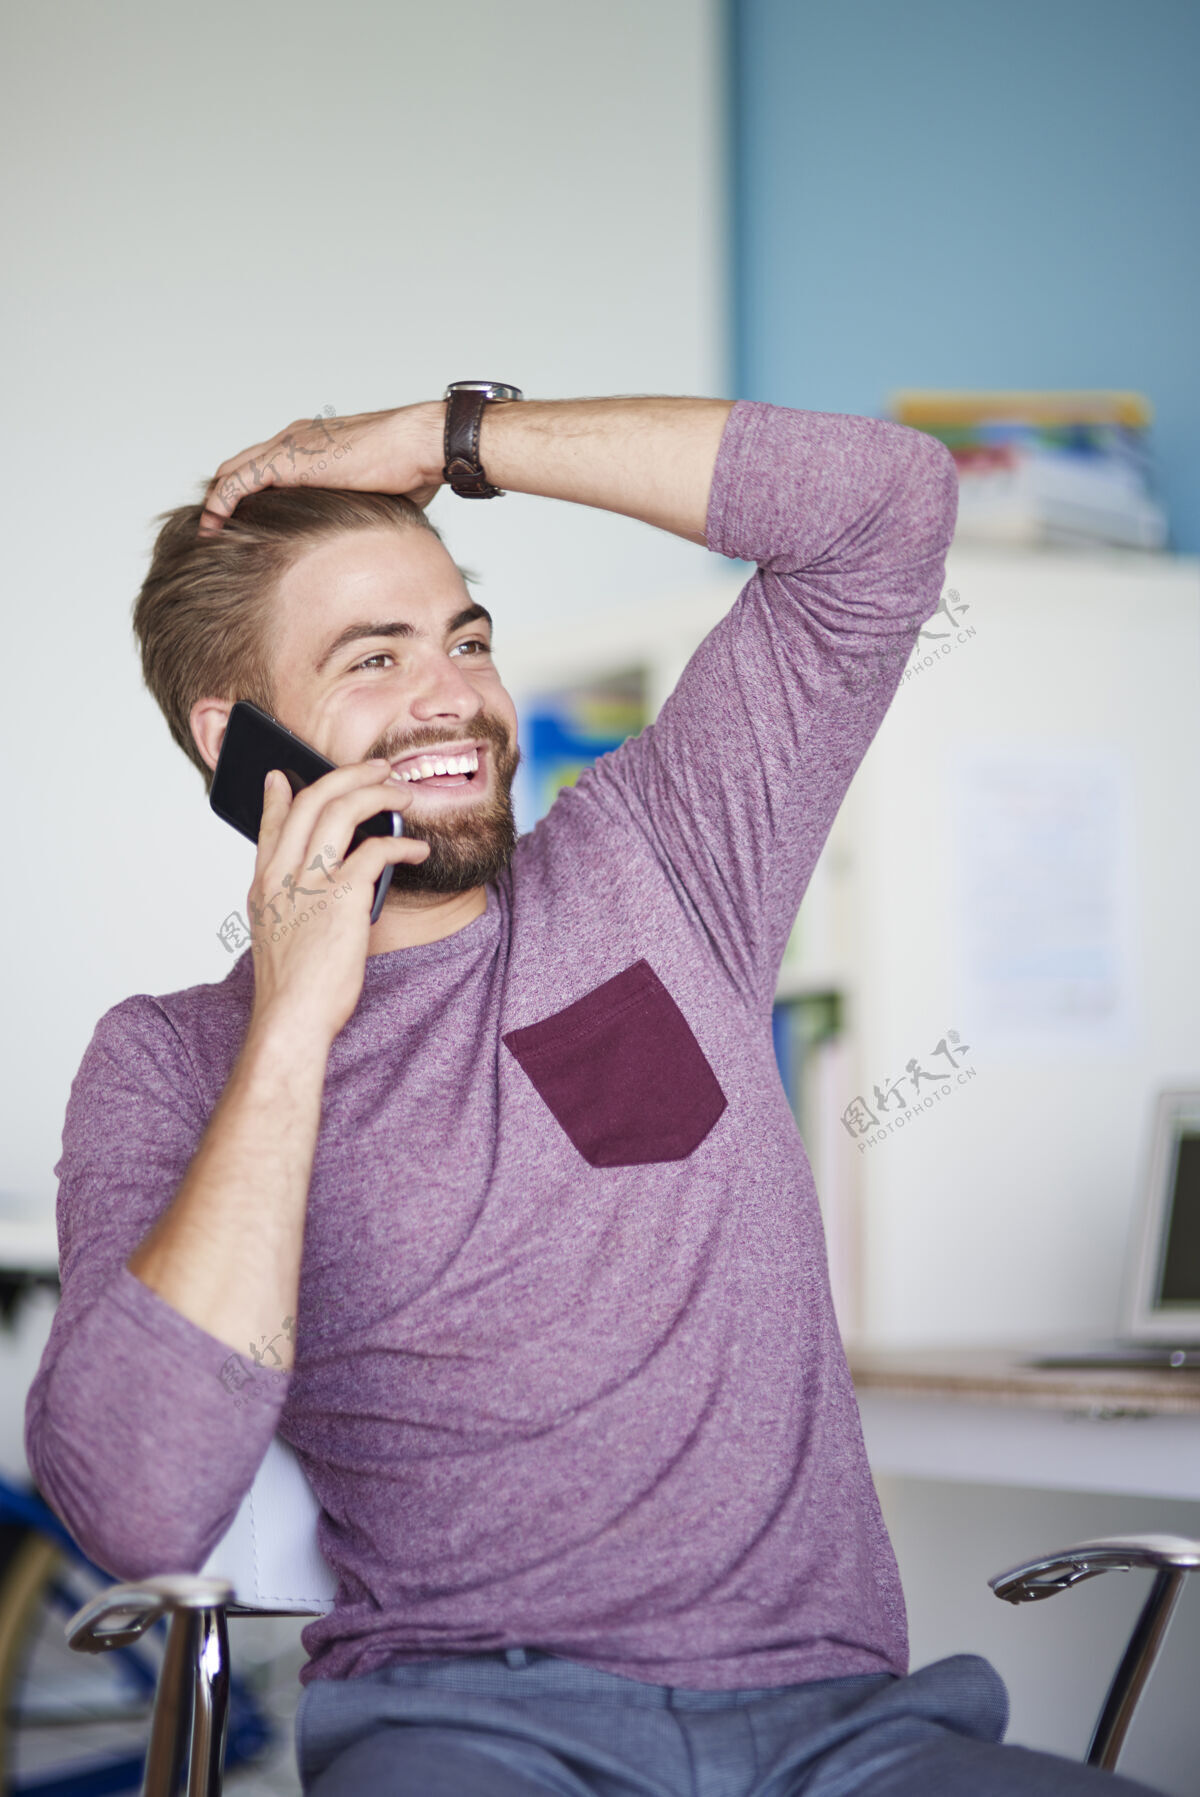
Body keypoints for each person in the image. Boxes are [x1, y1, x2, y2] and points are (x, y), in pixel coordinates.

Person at [24, 393, 1161, 1796]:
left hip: (850, 1730)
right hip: (473, 1731)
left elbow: (885, 511)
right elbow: (140, 1500)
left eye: (468, 636)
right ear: (233, 736)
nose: (451, 693)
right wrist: (294, 1024)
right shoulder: (168, 1061)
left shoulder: (665, 859)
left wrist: (452, 436)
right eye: (373, 657)